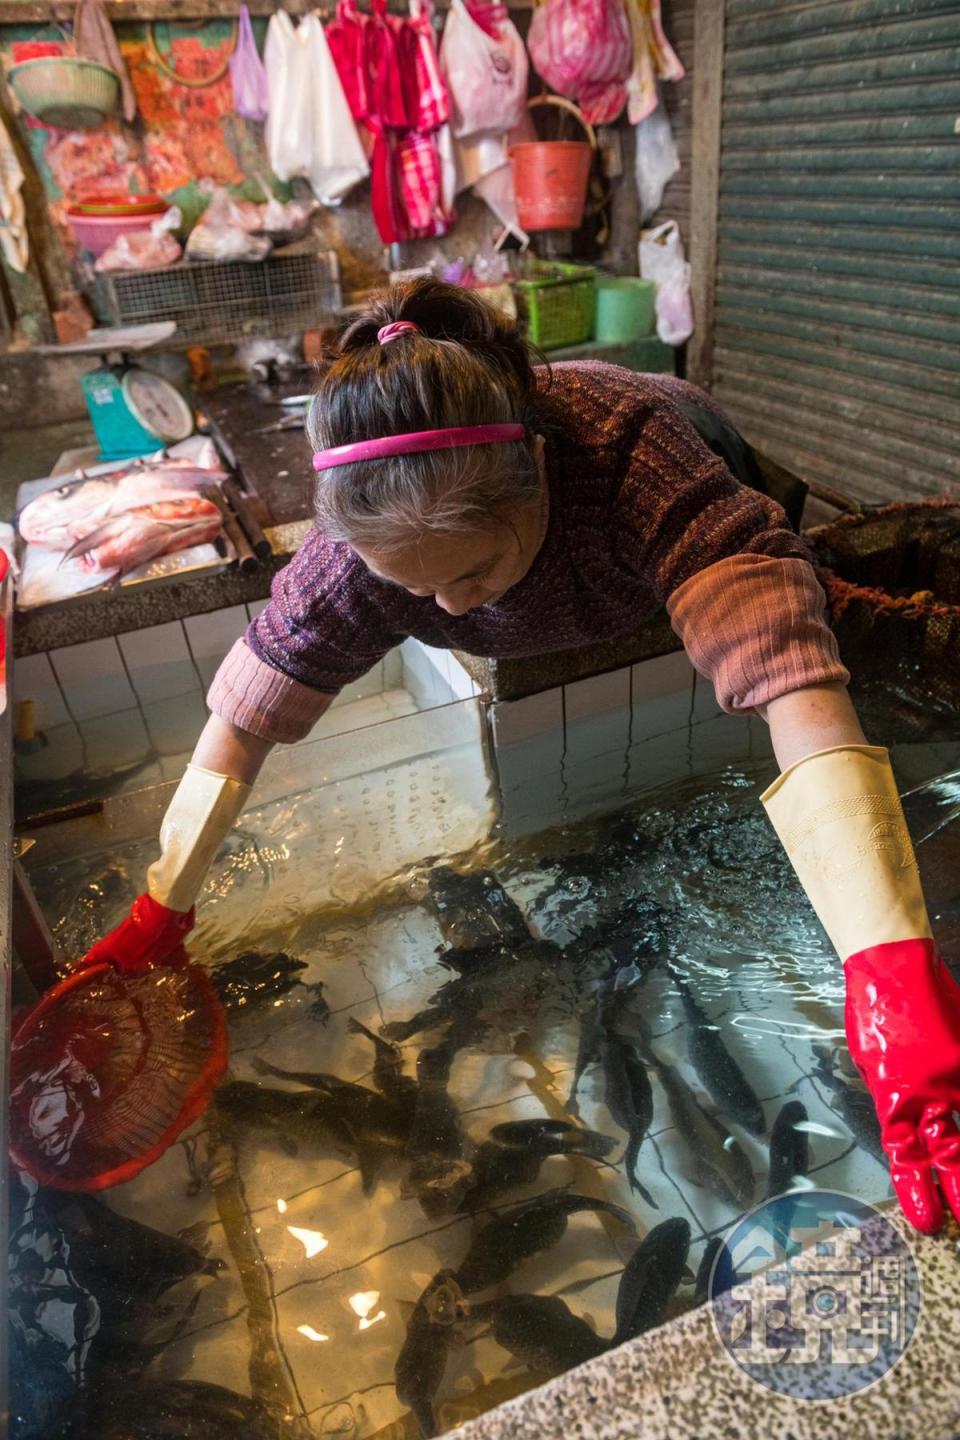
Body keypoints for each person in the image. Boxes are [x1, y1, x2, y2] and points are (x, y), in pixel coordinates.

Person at [85, 279, 960, 1235]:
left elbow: (789, 677)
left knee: (805, 606)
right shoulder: (356, 550)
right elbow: (246, 715)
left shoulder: (638, 466)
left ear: (537, 470)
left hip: (703, 449)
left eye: (473, 573)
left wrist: (888, 969)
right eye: (409, 587)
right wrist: (162, 903)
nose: (451, 610)